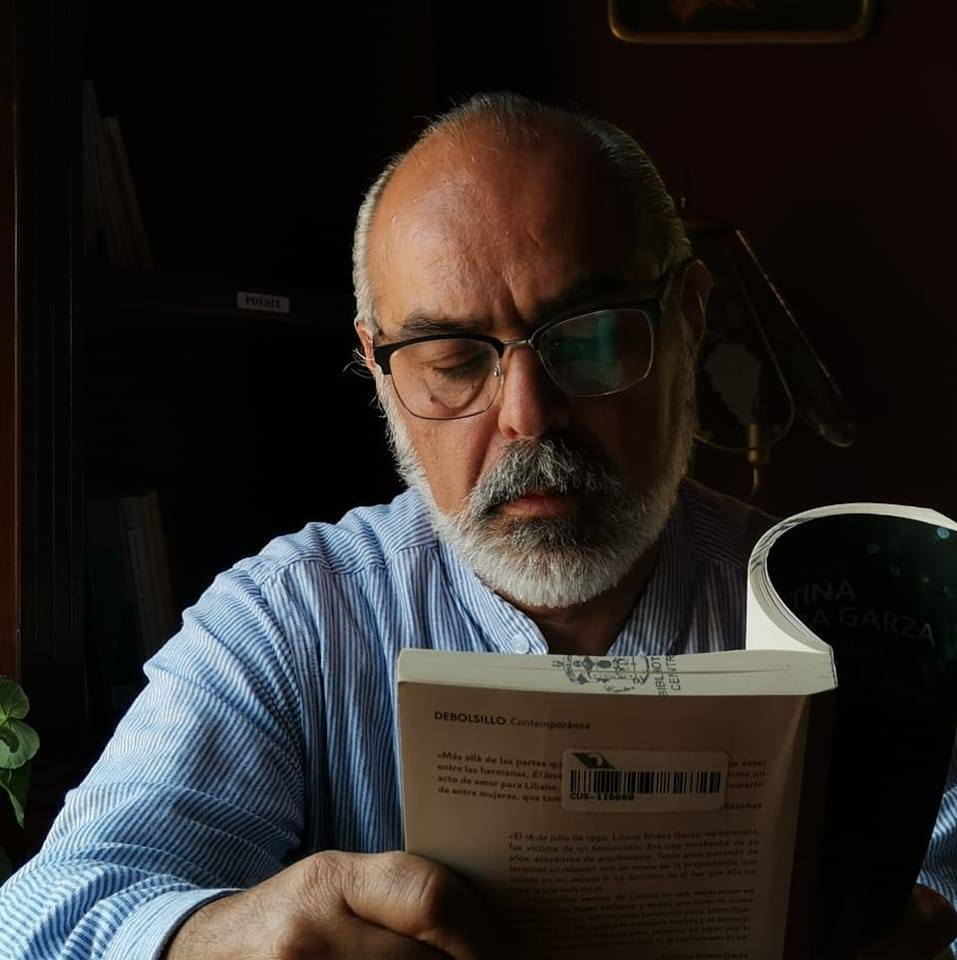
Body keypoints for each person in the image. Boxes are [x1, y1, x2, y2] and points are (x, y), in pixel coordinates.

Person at [1, 92, 955, 960]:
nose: (528, 416)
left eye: (589, 336)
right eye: (454, 359)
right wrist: (206, 942)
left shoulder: (852, 616)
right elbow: (44, 916)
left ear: (689, 319)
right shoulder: (291, 620)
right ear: (378, 370)